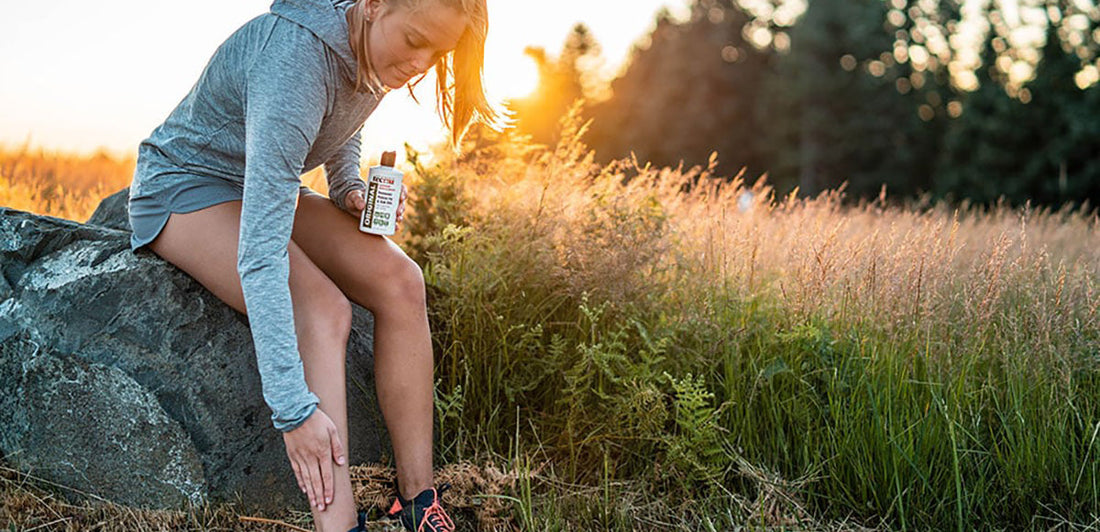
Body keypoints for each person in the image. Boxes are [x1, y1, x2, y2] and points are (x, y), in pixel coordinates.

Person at [126, 0, 497, 530]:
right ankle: (340, 525)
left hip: (262, 179)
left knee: (401, 279)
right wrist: (293, 410)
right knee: (322, 310)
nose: (421, 63)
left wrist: (347, 184)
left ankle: (417, 500)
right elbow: (261, 256)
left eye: (437, 53)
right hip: (187, 183)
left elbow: (344, 112)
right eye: (416, 40)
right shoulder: (295, 60)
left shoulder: (373, 48)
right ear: (372, 6)